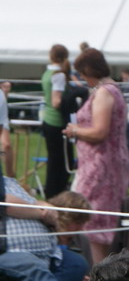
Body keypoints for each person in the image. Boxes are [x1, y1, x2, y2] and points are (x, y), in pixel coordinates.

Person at [0, 177, 117, 281]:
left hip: (44, 254)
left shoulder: (9, 181)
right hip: (7, 253)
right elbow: (8, 203)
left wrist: (46, 207)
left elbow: (32, 201)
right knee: (30, 265)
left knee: (75, 264)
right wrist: (41, 213)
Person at [63, 48, 129, 264]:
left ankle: (97, 277)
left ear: (89, 70)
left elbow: (100, 131)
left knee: (93, 222)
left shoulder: (104, 92)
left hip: (100, 167)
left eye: (82, 73)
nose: (82, 78)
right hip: (103, 164)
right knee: (94, 220)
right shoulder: (111, 89)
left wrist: (75, 130)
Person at [41, 43, 73, 198]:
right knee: (62, 161)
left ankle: (51, 192)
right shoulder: (59, 75)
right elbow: (56, 101)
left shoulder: (47, 72)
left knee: (53, 159)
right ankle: (55, 193)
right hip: (57, 121)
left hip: (48, 119)